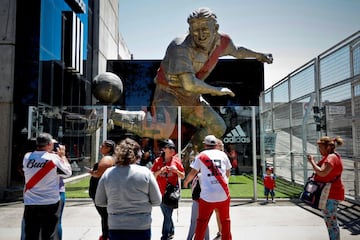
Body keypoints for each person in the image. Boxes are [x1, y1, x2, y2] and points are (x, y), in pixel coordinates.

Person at [152, 7, 273, 149]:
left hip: (191, 97)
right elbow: (189, 84)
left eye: (205, 29)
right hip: (169, 93)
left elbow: (237, 51)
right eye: (195, 30)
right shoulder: (180, 46)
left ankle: (189, 156)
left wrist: (259, 55)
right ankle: (118, 116)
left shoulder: (223, 41)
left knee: (218, 127)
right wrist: (217, 90)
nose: (200, 35)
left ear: (216, 28)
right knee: (162, 129)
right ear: (190, 30)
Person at [95, 138, 162, 240]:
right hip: (141, 225)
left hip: (116, 226)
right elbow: (157, 200)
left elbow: (99, 201)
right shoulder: (145, 173)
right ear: (137, 154)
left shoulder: (108, 174)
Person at [22, 132, 72, 239]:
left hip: (31, 202)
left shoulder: (27, 157)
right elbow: (68, 172)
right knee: (48, 234)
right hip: (50, 202)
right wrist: (62, 156)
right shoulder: (53, 158)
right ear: (49, 144)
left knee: (31, 234)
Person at [184, 135, 232, 240]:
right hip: (223, 194)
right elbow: (228, 172)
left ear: (205, 144)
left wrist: (186, 182)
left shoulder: (201, 156)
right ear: (215, 144)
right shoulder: (223, 155)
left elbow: (193, 173)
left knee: (202, 222)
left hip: (207, 196)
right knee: (225, 221)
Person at [307, 136, 345, 240]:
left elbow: (322, 173)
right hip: (332, 193)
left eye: (320, 148)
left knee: (331, 223)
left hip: (331, 194)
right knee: (331, 222)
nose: (319, 150)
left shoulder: (331, 157)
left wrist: (312, 161)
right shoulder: (333, 156)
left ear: (328, 147)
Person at [151, 139, 185, 240]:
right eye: (169, 147)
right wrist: (160, 171)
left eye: (173, 148)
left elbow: (182, 176)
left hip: (171, 194)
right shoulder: (158, 161)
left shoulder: (176, 161)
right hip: (160, 192)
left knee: (167, 215)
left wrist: (176, 171)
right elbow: (152, 175)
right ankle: (171, 230)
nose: (172, 150)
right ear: (164, 149)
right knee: (167, 214)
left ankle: (164, 235)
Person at [88, 139, 116, 240]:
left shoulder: (108, 159)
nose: (100, 147)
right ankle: (106, 235)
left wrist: (93, 173)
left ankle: (106, 236)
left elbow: (99, 174)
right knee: (105, 217)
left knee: (105, 216)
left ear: (108, 148)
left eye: (102, 146)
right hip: (102, 192)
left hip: (101, 192)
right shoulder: (110, 158)